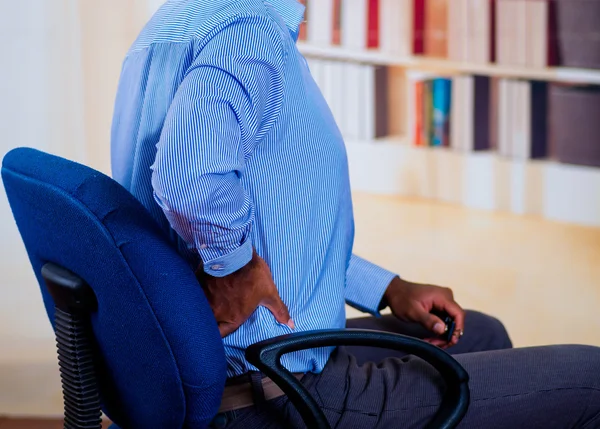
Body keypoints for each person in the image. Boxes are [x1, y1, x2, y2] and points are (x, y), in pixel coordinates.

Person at [110, 0, 600, 427]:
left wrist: (386, 288)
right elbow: (187, 174)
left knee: (483, 330)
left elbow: (283, 223)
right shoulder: (251, 32)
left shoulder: (177, 25)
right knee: (591, 382)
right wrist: (234, 269)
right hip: (285, 391)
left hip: (229, 362)